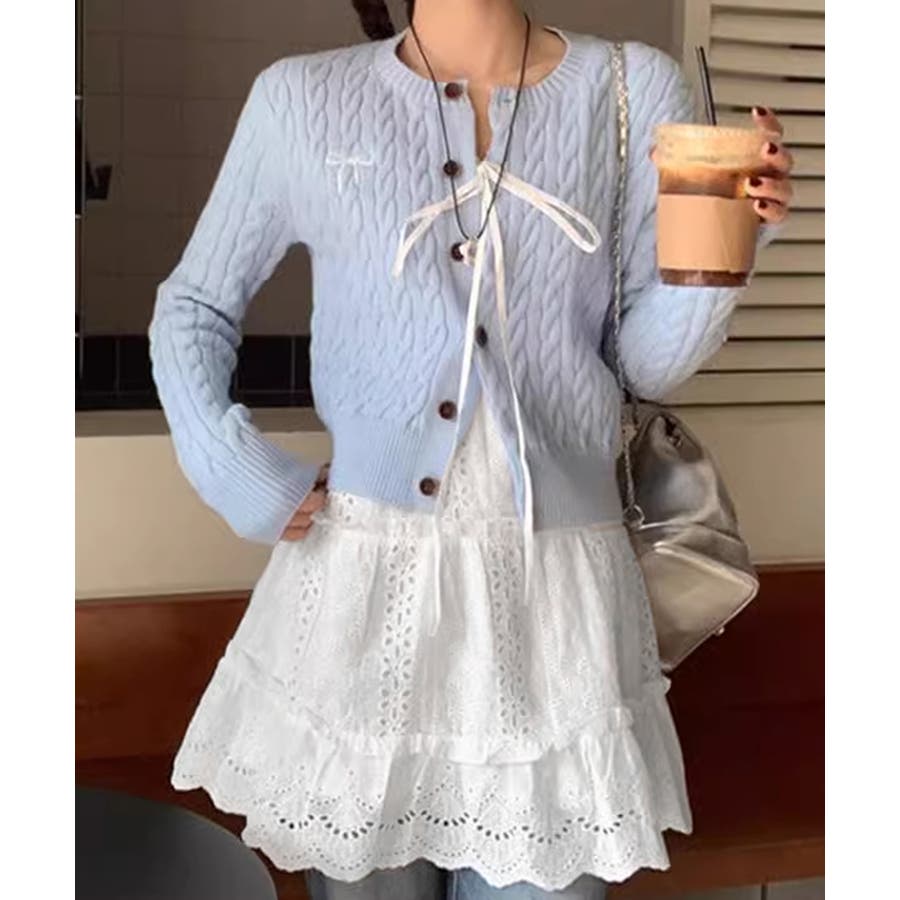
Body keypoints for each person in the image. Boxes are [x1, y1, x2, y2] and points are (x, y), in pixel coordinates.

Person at [147, 1, 794, 898]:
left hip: (555, 608)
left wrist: (725, 248)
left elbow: (648, 364)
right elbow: (193, 308)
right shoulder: (301, 99)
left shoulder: (630, 88)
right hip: (366, 596)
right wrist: (238, 473)